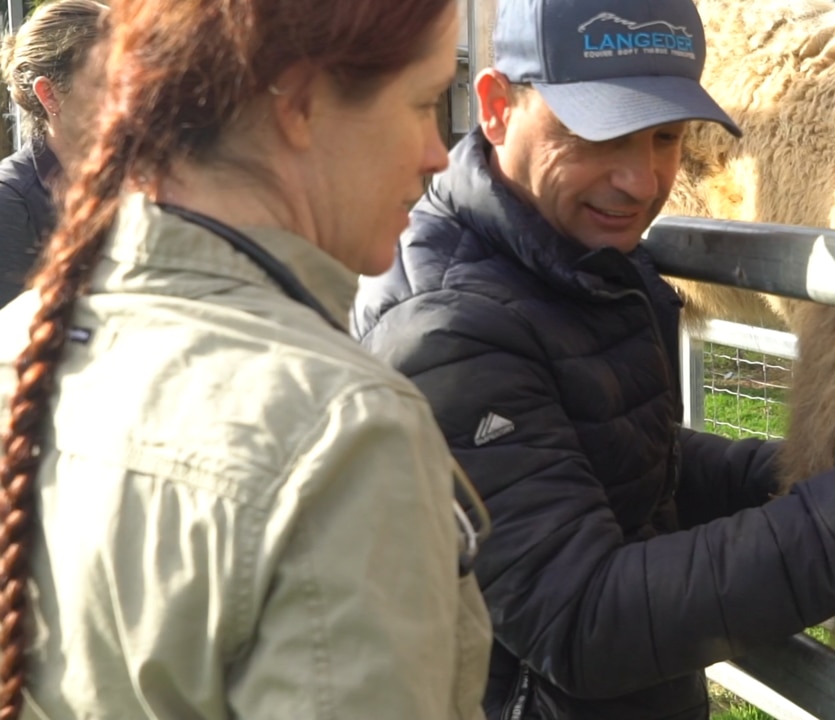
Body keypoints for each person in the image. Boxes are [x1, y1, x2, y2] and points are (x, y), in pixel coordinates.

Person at [351, 0, 835, 716]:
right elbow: (582, 621)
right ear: (498, 107)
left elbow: (623, 464)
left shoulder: (563, 262)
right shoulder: (448, 329)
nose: (641, 180)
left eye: (665, 137)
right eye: (597, 134)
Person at [0, 0, 491, 718]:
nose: (438, 153)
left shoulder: (19, 340)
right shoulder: (344, 437)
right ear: (299, 105)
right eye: (424, 104)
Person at [0, 0, 107, 307]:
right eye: (108, 82)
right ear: (48, 94)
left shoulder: (145, 180)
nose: (134, 99)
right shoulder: (11, 204)